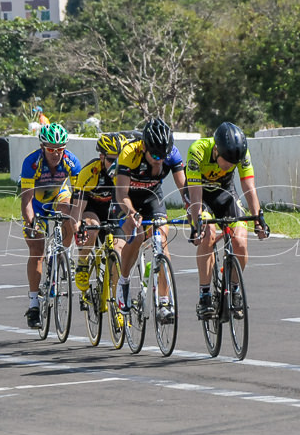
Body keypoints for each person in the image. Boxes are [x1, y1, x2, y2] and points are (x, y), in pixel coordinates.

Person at [186, 122, 268, 320]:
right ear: (216, 150)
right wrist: (197, 225)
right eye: (228, 161)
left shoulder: (241, 153)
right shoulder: (197, 150)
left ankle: (234, 288)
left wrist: (258, 218)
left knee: (240, 241)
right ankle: (205, 294)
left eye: (234, 162)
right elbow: (195, 196)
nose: (231, 165)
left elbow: (249, 187)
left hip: (226, 194)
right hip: (201, 197)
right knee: (208, 233)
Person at [114, 117, 187, 324]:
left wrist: (191, 208)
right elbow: (121, 194)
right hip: (127, 197)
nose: (159, 160)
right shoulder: (130, 153)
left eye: (163, 156)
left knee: (162, 241)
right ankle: (124, 282)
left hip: (152, 196)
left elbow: (184, 189)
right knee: (135, 236)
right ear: (144, 146)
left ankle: (164, 302)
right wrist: (131, 213)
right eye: (155, 155)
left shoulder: (170, 153)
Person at [20, 123, 82, 329]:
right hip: (36, 203)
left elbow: (79, 198)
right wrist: (30, 224)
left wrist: (76, 224)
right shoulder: (31, 162)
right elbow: (26, 200)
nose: (56, 153)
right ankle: (34, 304)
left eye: (60, 149)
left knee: (68, 210)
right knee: (36, 250)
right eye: (51, 149)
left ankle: (64, 252)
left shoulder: (71, 162)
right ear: (42, 147)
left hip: (59, 197)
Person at [70, 132, 124, 301]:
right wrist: (78, 229)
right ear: (101, 157)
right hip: (90, 207)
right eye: (111, 159)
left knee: (118, 252)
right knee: (92, 227)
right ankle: (83, 264)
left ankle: (117, 302)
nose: (115, 164)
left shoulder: (125, 172)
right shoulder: (90, 172)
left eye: (119, 159)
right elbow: (77, 210)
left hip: (113, 209)